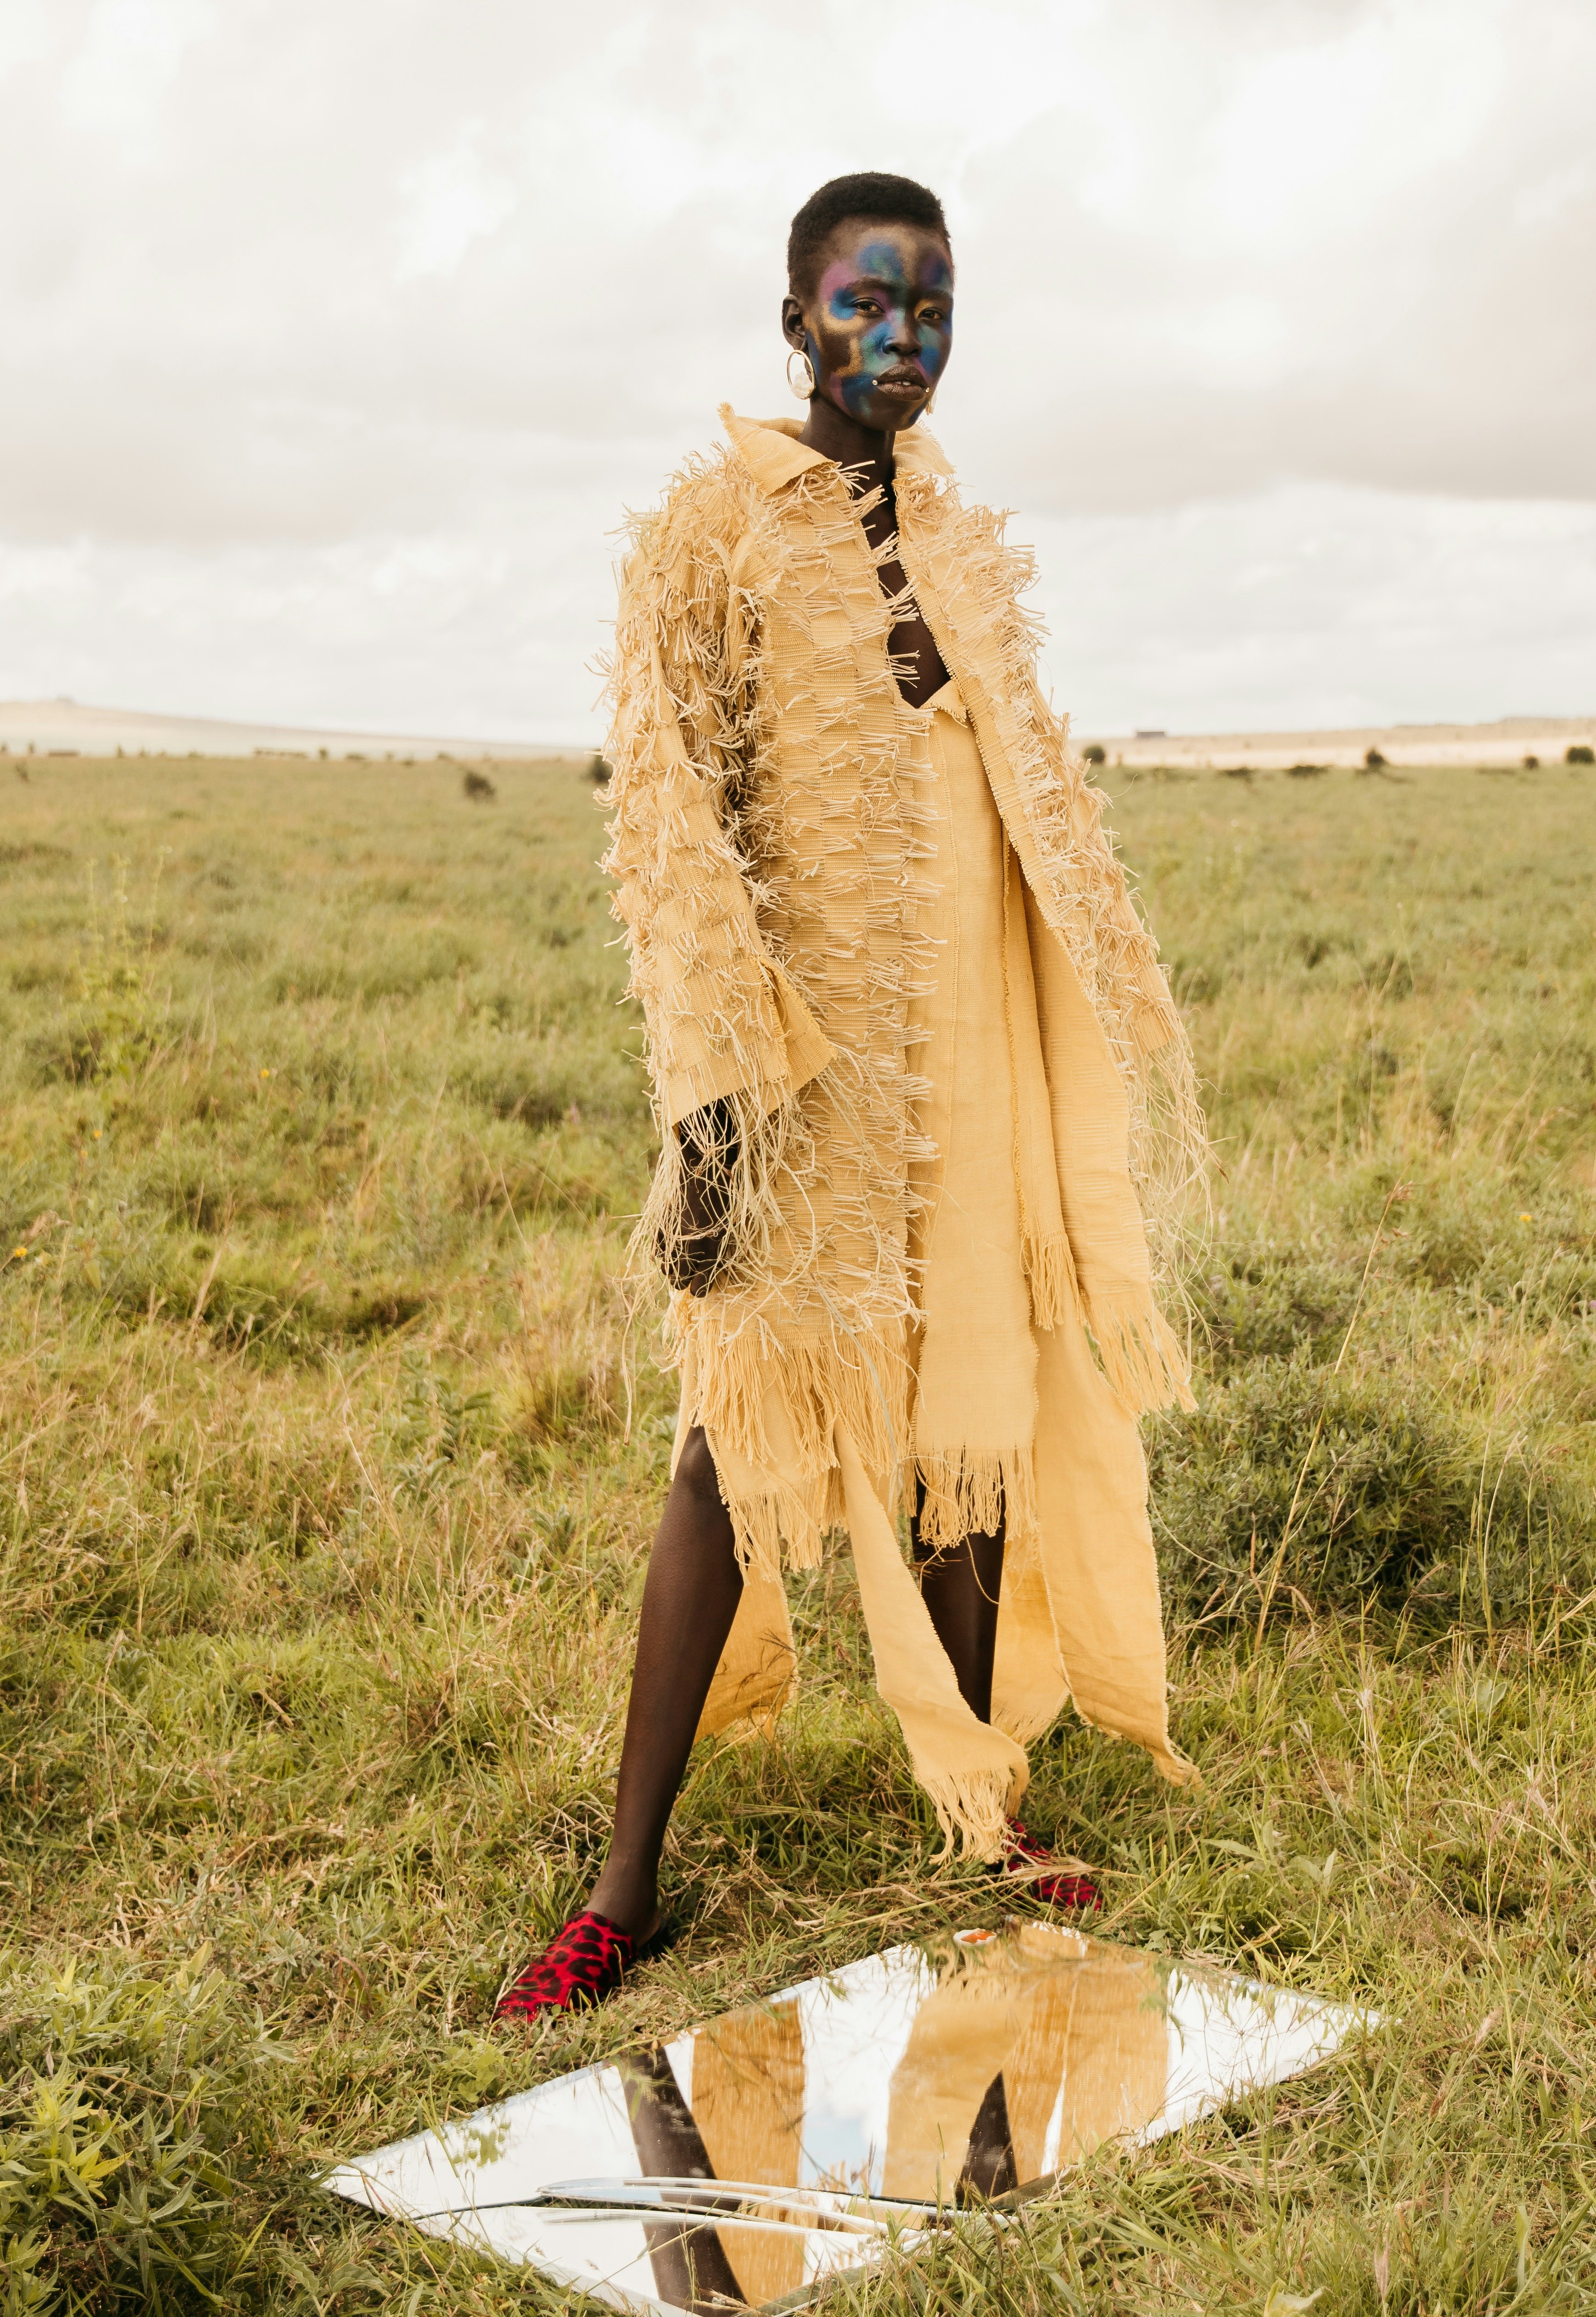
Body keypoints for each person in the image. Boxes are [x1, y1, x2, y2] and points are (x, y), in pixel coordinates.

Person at [495, 171, 1207, 2024]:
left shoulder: (962, 543)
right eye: (869, 303)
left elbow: (1030, 793)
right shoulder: (712, 532)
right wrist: (714, 1098)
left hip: (964, 1056)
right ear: (795, 317)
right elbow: (673, 817)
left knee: (962, 1425)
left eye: (935, 308)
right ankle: (624, 1882)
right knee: (738, 1442)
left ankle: (978, 1813)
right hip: (794, 1073)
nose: (905, 340)